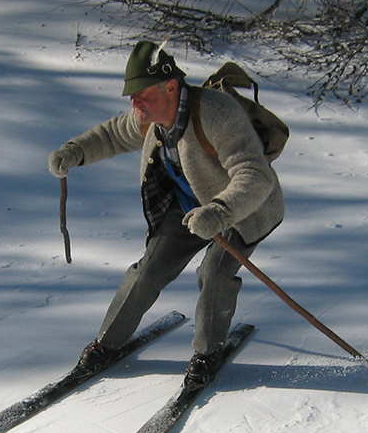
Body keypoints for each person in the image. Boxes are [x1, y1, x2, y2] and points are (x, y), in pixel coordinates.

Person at [48, 40, 285, 384]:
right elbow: (114, 134)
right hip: (190, 205)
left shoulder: (217, 114)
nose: (135, 102)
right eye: (132, 95)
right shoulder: (152, 117)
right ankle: (107, 345)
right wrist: (76, 151)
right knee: (148, 269)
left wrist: (219, 212)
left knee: (215, 273)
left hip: (242, 209)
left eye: (142, 93)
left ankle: (207, 353)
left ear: (171, 87)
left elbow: (255, 174)